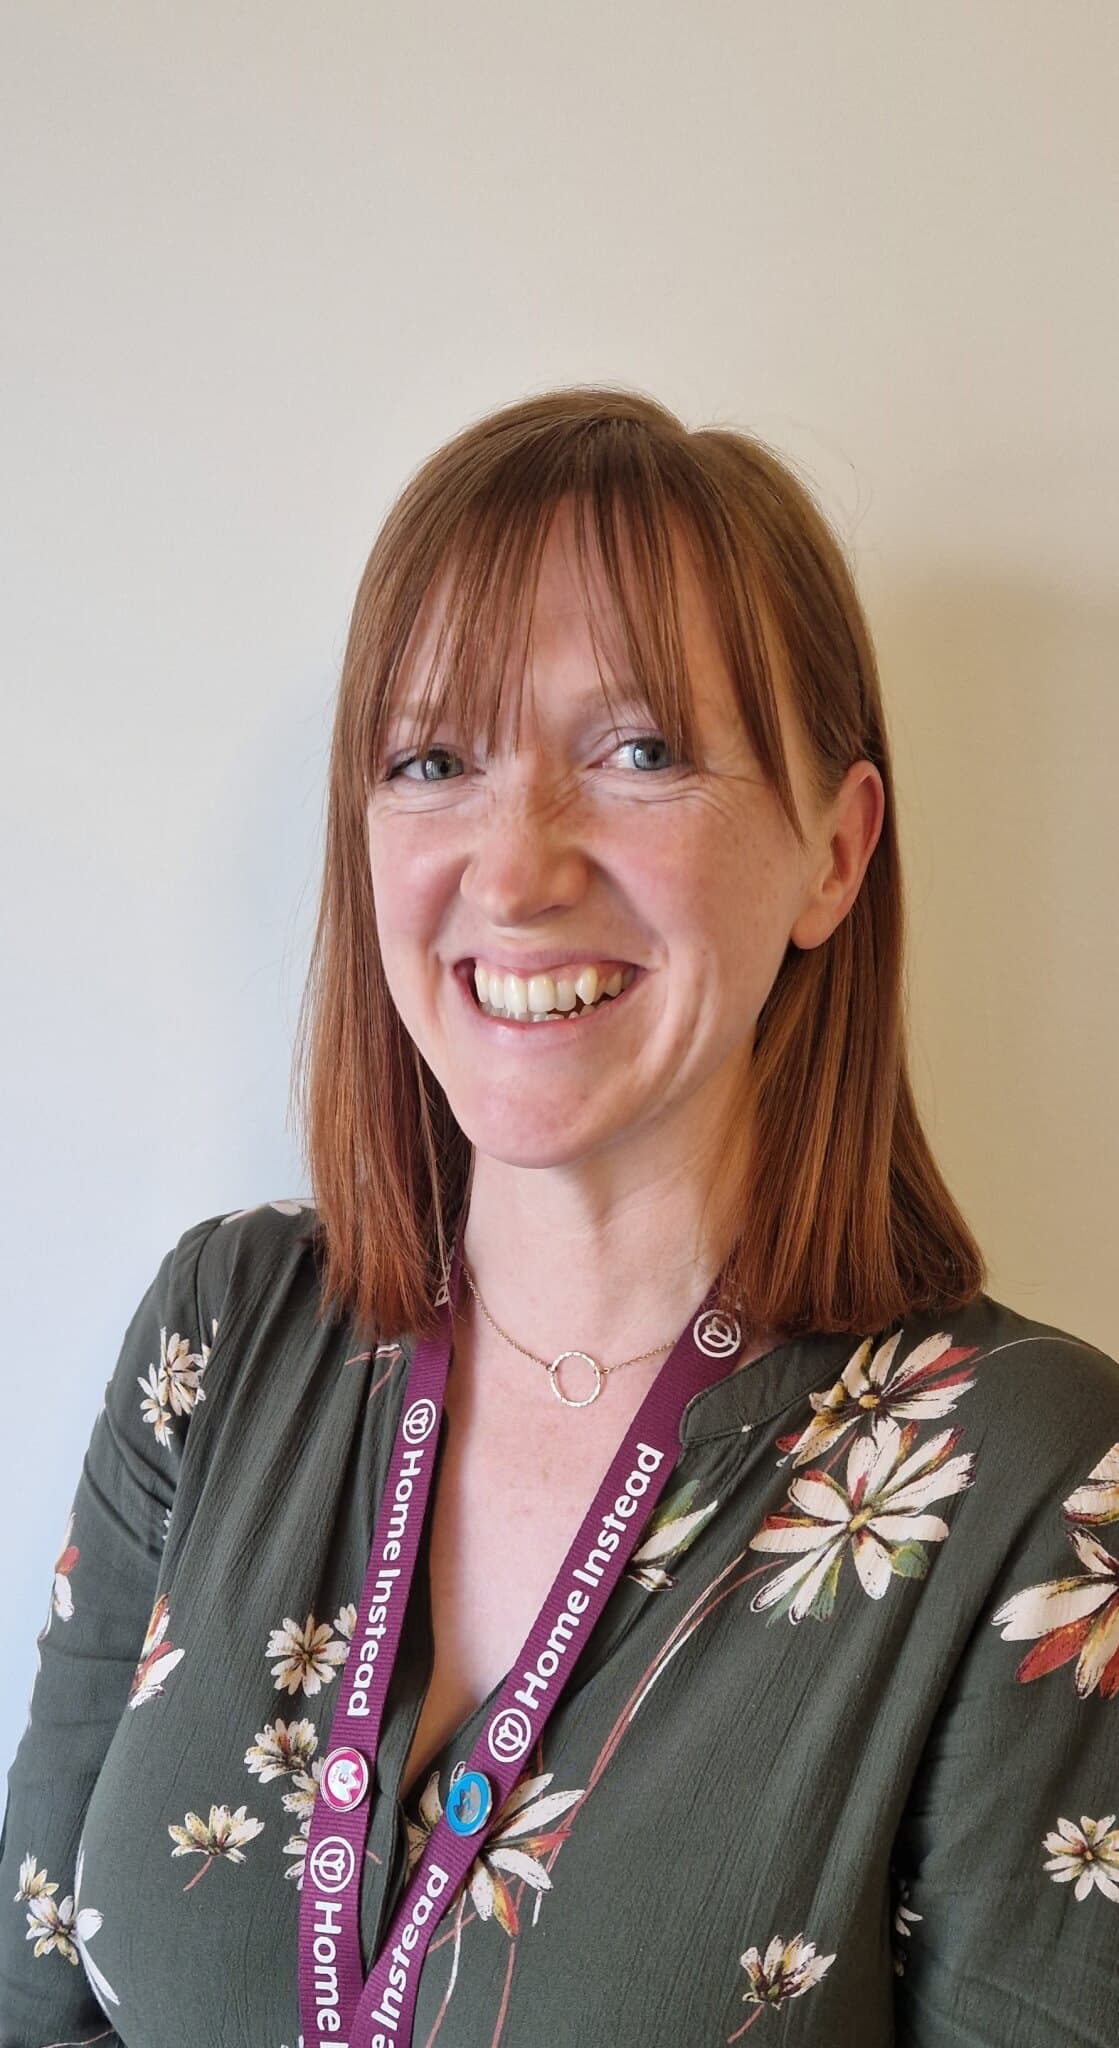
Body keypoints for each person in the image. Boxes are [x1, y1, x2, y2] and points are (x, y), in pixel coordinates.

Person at [3, 387, 1117, 2048]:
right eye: (433, 760)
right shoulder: (223, 1330)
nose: (514, 867)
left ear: (833, 851)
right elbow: (37, 1994)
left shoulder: (1035, 1485)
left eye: (641, 751)